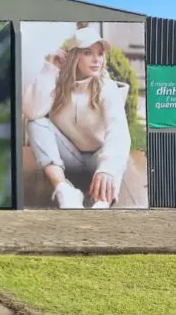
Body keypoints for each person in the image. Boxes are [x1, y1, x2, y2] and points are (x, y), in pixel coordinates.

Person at [23, 24, 130, 209]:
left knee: (116, 158)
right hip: (69, 158)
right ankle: (64, 190)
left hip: (97, 159)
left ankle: (103, 202)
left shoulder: (107, 87)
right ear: (73, 56)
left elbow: (119, 131)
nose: (96, 60)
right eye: (88, 53)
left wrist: (107, 169)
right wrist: (50, 68)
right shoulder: (57, 81)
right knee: (36, 123)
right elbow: (32, 112)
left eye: (100, 54)